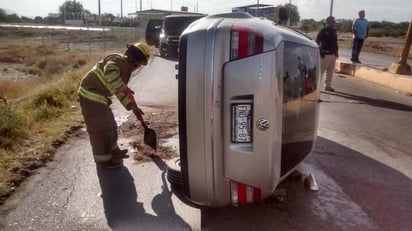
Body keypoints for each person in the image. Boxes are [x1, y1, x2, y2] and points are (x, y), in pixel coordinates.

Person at [78, 43, 151, 168]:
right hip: (90, 94)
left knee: (110, 124)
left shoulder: (125, 68)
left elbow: (118, 90)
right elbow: (110, 72)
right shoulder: (118, 60)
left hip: (100, 97)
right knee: (99, 129)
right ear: (136, 61)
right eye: (138, 64)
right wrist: (124, 87)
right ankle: (103, 160)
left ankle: (113, 150)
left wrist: (132, 107)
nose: (137, 67)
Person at [316, 16, 338, 92]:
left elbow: (335, 42)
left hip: (332, 54)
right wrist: (320, 51)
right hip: (325, 54)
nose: (334, 23)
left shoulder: (334, 31)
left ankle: (327, 86)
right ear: (328, 22)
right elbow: (317, 42)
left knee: (330, 72)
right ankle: (317, 87)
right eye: (333, 21)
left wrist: (336, 53)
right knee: (320, 72)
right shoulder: (323, 31)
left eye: (334, 21)